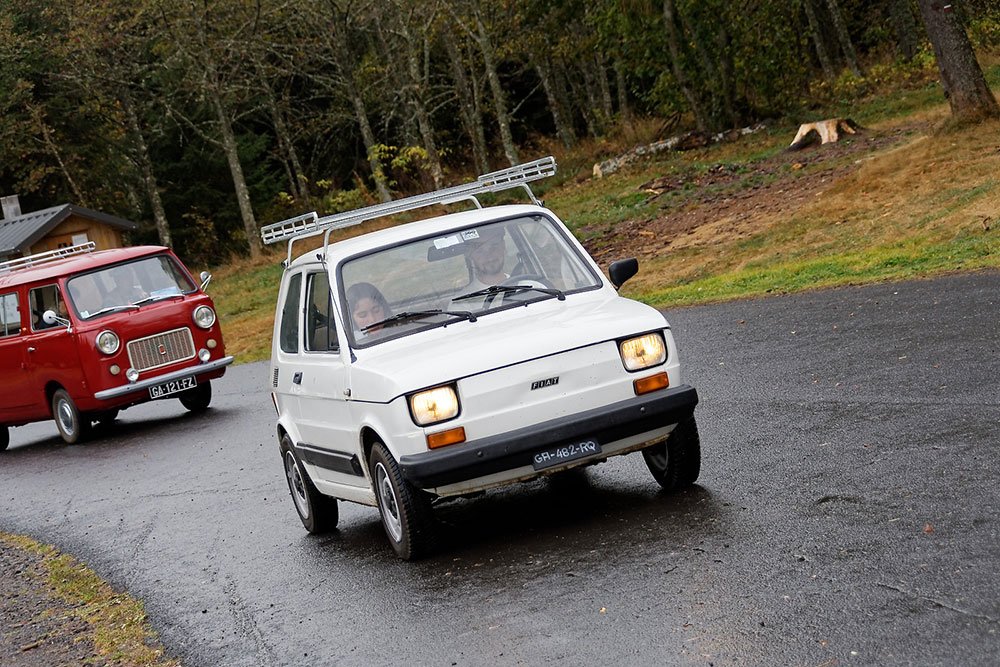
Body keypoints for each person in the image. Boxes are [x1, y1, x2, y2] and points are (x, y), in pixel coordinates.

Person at [462, 226, 509, 293]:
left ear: (503, 246)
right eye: (480, 251)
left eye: (494, 246)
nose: (489, 256)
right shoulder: (462, 302)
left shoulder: (526, 285)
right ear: (471, 255)